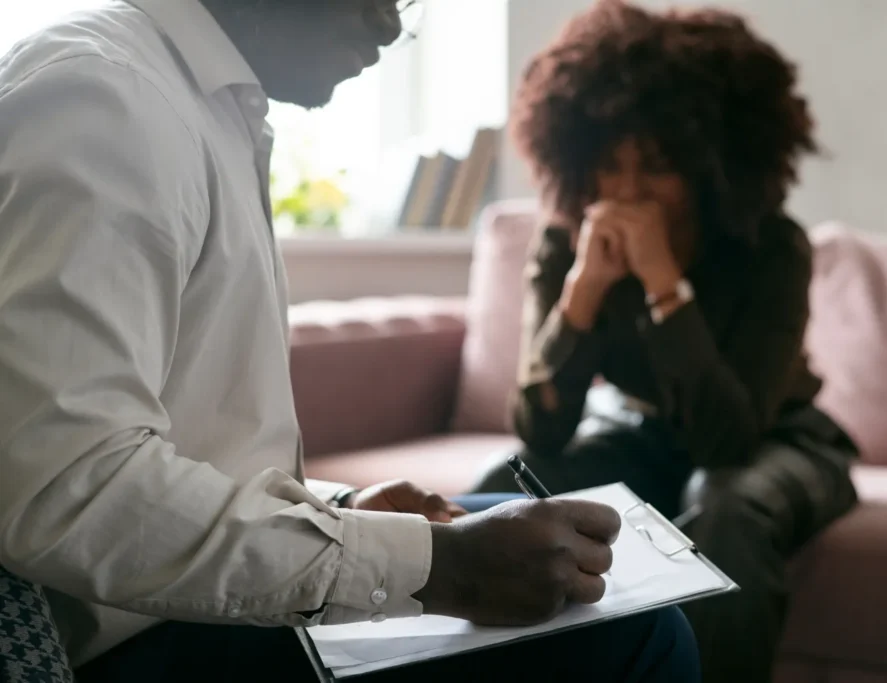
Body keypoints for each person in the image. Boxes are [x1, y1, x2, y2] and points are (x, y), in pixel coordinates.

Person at [0, 1, 701, 682]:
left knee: (571, 555)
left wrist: (337, 513)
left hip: (168, 603)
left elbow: (181, 436)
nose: (391, 24)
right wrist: (433, 566)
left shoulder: (192, 102)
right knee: (632, 630)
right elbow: (66, 489)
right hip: (115, 642)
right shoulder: (105, 102)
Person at [470, 3, 860, 682]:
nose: (624, 191)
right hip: (638, 429)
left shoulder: (771, 246)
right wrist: (585, 289)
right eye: (607, 166)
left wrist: (663, 283)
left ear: (710, 167)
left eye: (655, 167)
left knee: (724, 506)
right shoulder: (567, 239)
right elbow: (540, 425)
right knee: (502, 488)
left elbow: (728, 440)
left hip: (780, 437)